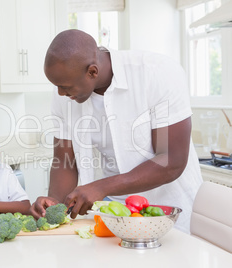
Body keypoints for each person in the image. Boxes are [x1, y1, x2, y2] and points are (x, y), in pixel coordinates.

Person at [30, 29, 202, 233]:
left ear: (92, 72)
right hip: (117, 213)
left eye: (65, 87)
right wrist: (55, 206)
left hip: (170, 212)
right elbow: (65, 162)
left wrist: (102, 187)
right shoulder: (65, 92)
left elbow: (170, 161)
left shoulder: (158, 73)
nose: (60, 93)